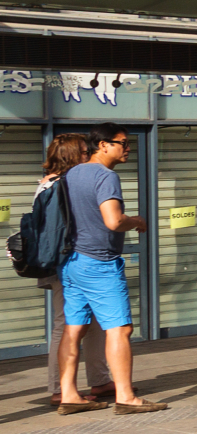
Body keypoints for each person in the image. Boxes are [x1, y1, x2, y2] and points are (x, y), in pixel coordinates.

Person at [54, 123, 165, 414]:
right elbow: (113, 221)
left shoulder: (72, 173)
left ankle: (69, 395)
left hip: (73, 262)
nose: (127, 148)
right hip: (99, 263)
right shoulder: (106, 176)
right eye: (122, 143)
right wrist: (137, 221)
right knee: (120, 329)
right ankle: (126, 397)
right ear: (102, 145)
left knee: (74, 328)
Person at [38, 133, 111, 408]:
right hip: (66, 262)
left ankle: (100, 379)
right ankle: (59, 388)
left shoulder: (56, 183)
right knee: (66, 324)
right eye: (83, 151)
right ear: (71, 155)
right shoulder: (57, 185)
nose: (88, 155)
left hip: (71, 261)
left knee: (92, 324)